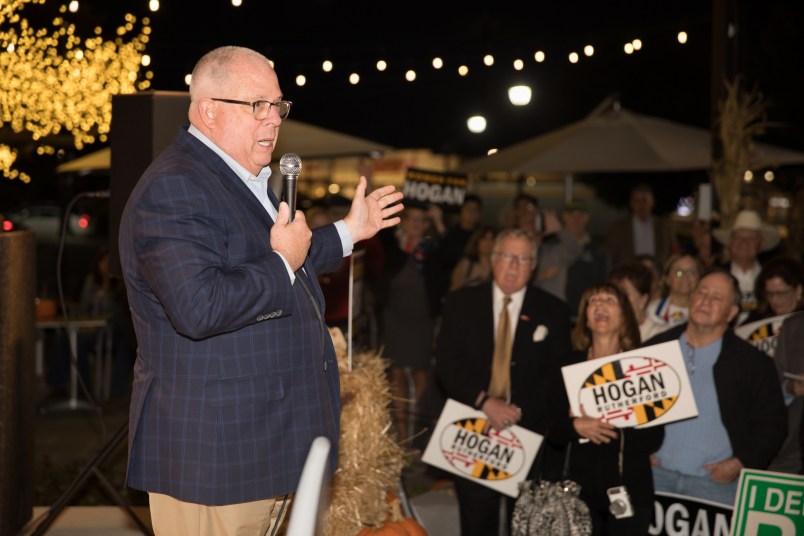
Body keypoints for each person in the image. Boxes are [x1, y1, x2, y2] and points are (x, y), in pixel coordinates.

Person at [117, 45, 403, 535]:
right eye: (257, 106)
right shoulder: (176, 187)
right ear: (208, 110)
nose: (273, 121)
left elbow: (275, 261)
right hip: (216, 458)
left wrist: (349, 233)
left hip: (260, 445)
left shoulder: (236, 178)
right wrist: (280, 260)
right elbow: (200, 308)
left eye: (278, 106)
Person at [434, 227, 572, 536]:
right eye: (507, 256)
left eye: (523, 259)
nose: (513, 266)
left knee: (523, 524)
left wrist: (515, 410)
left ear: (533, 265)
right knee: (475, 521)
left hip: (527, 433)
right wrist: (484, 402)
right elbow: (446, 363)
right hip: (472, 429)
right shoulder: (460, 302)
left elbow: (556, 375)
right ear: (493, 258)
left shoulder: (554, 311)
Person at [645, 268, 787, 505]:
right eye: (702, 292)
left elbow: (773, 425)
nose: (705, 301)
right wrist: (639, 451)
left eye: (717, 298)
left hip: (714, 485)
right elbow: (628, 412)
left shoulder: (753, 364)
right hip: (655, 478)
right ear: (691, 298)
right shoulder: (654, 350)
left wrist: (740, 462)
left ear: (732, 313)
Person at [546, 283, 663, 535]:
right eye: (592, 301)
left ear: (625, 317)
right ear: (585, 319)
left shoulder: (642, 367)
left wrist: (606, 424)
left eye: (609, 300)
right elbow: (550, 428)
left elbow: (654, 436)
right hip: (574, 491)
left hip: (628, 487)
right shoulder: (566, 365)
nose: (599, 305)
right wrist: (574, 426)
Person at [375, 204, 442, 444]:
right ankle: (403, 436)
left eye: (421, 220)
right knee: (396, 376)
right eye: (412, 218)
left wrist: (440, 223)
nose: (416, 223)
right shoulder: (393, 245)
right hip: (395, 320)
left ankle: (419, 436)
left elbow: (451, 256)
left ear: (426, 225)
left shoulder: (432, 251)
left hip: (421, 321)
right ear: (403, 220)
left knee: (420, 375)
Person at [536, 200, 609, 319]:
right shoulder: (551, 245)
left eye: (580, 216)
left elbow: (604, 281)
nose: (575, 220)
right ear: (564, 218)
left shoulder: (597, 249)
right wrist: (541, 276)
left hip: (587, 313)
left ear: (586, 218)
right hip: (557, 311)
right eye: (571, 215)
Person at [712, 209, 781, 325]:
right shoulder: (715, 275)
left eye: (751, 238)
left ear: (761, 244)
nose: (744, 242)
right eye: (739, 237)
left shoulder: (772, 278)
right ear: (730, 242)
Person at [606, 183, 677, 269]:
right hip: (628, 274)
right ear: (631, 203)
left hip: (657, 273)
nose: (641, 205)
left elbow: (673, 251)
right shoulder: (618, 228)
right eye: (636, 201)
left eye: (644, 200)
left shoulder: (664, 226)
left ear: (652, 202)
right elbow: (610, 256)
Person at [645, 252, 702, 334]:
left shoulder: (706, 310)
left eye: (691, 272)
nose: (685, 276)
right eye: (679, 272)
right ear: (667, 279)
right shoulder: (652, 310)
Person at [608, 261, 664, 343]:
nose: (618, 300)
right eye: (613, 295)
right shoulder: (607, 332)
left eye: (624, 294)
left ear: (643, 300)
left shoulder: (660, 335)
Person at [744, 256, 804, 324]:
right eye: (769, 294)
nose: (774, 299)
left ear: (798, 290)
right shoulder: (759, 317)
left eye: (780, 293)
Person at [449, 224, 497, 291]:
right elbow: (455, 288)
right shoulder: (466, 264)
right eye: (484, 238)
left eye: (492, 239)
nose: (488, 242)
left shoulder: (499, 266)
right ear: (477, 241)